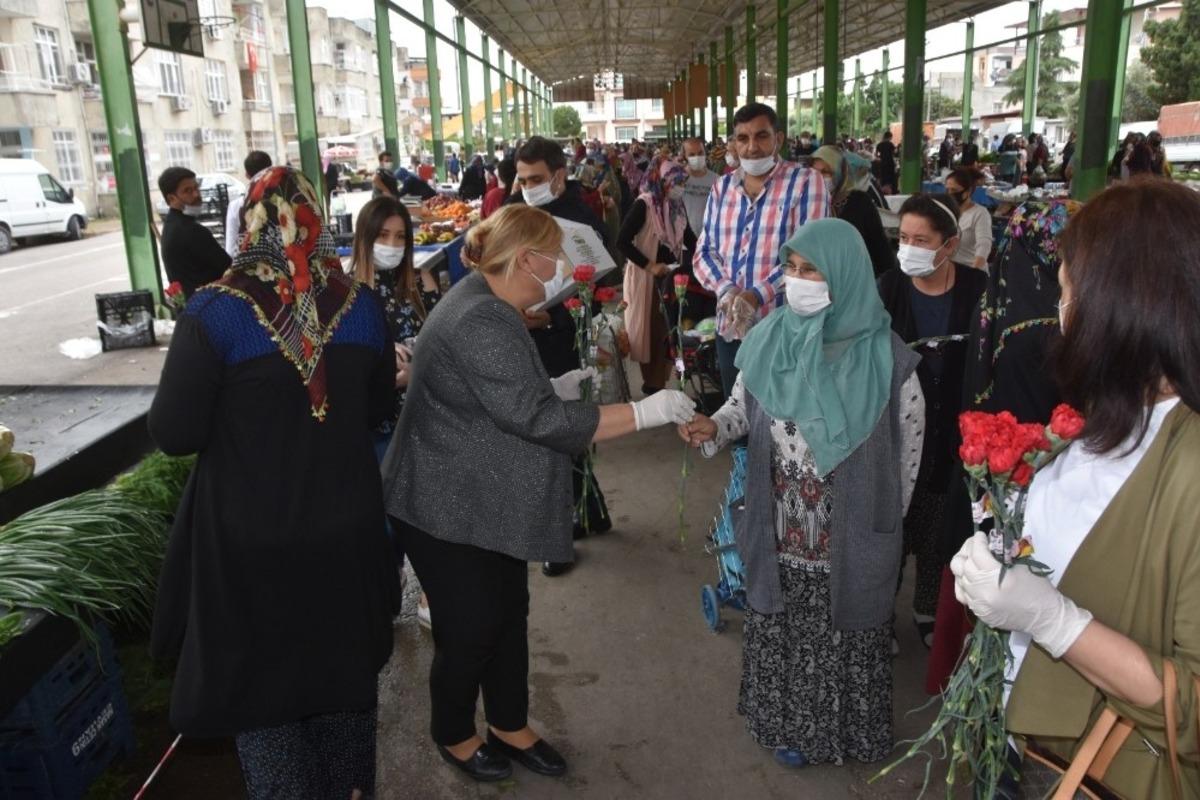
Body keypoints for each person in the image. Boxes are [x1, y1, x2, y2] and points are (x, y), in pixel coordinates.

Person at [381, 203, 696, 783]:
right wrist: (645, 412)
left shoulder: (488, 300)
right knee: (471, 623)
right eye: (553, 258)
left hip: (476, 488)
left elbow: (493, 393)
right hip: (441, 501)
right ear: (526, 258)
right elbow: (539, 420)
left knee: (508, 610)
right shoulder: (481, 319)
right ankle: (452, 730)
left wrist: (549, 386)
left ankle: (509, 722)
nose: (558, 270)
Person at [148, 167, 400, 799]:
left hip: (250, 547)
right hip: (346, 534)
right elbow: (374, 412)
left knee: (266, 705)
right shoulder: (361, 307)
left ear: (250, 227)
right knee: (345, 694)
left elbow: (176, 432)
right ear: (313, 222)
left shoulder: (215, 312)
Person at [951, 178, 1200, 799]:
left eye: (1066, 292)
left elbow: (1191, 703)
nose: (1059, 314)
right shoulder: (1114, 414)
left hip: (1094, 770)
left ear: (1123, 305)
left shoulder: (1191, 462)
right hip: (1022, 742)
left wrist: (1053, 621)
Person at [681, 217, 924, 769]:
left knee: (843, 632)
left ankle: (841, 736)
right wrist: (712, 428)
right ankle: (783, 725)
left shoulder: (889, 361)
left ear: (844, 274)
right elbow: (740, 409)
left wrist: (884, 526)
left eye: (810, 269)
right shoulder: (769, 338)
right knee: (782, 625)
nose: (796, 281)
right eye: (790, 269)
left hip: (851, 531)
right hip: (781, 522)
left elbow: (907, 456)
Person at [925, 198, 1080, 695]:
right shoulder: (1055, 326)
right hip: (1034, 476)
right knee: (1020, 586)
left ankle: (964, 687)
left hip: (983, 470)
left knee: (979, 573)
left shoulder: (995, 303)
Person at [876, 194, 986, 649]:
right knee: (891, 532)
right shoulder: (889, 287)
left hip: (952, 433)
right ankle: (881, 614)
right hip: (897, 433)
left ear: (950, 245)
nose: (909, 248)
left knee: (939, 530)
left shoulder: (978, 288)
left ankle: (926, 609)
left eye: (921, 240)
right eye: (903, 238)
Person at [505, 136, 613, 570]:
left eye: (536, 179)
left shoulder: (582, 225)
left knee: (551, 434)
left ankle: (559, 537)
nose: (528, 187)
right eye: (522, 179)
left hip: (562, 344)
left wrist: (553, 320)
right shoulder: (513, 216)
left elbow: (598, 294)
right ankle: (590, 510)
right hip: (519, 340)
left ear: (559, 176)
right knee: (558, 434)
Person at [694, 102, 830, 400]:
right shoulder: (722, 188)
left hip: (784, 328)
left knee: (783, 419)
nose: (752, 147)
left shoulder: (806, 183)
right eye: (742, 138)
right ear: (733, 142)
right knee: (738, 412)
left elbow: (810, 256)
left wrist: (758, 294)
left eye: (761, 136)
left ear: (778, 139)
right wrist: (728, 291)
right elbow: (704, 252)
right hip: (730, 327)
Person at [617, 158, 691, 393]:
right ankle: (652, 385)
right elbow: (622, 242)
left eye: (682, 182)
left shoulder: (676, 206)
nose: (679, 187)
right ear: (661, 182)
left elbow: (690, 238)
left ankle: (659, 384)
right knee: (648, 334)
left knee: (668, 332)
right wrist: (650, 265)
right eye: (675, 182)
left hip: (669, 279)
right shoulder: (644, 205)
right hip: (646, 280)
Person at [810, 145, 896, 278]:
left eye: (826, 172)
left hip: (859, 280)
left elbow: (881, 249)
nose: (819, 177)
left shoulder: (860, 202)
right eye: (814, 172)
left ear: (840, 172)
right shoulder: (807, 203)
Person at [158, 167, 232, 300]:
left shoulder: (171, 225)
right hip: (206, 307)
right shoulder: (190, 231)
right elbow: (227, 268)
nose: (196, 195)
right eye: (187, 191)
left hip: (191, 307)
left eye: (196, 188)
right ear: (171, 199)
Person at [224, 150, 272, 258]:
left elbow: (231, 249)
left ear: (247, 175)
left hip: (252, 266)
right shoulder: (282, 200)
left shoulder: (236, 206)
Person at [944, 167, 992, 270]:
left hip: (971, 271)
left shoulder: (980, 213)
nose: (950, 194)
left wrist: (973, 273)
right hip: (947, 272)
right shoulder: (945, 211)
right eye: (947, 189)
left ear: (968, 191)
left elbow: (984, 245)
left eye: (954, 190)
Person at [680, 137, 718, 239]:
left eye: (700, 153)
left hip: (708, 239)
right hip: (683, 241)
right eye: (691, 155)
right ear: (684, 156)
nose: (697, 157)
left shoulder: (716, 179)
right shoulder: (678, 178)